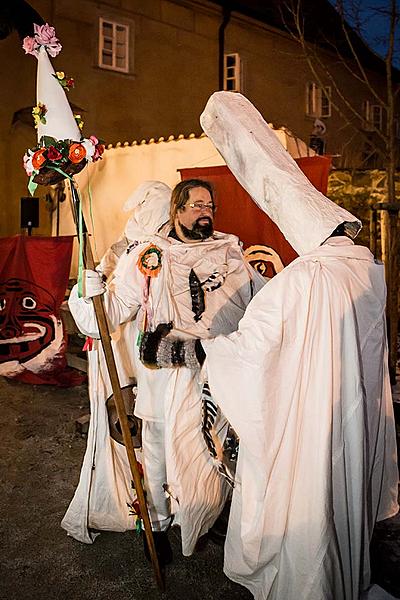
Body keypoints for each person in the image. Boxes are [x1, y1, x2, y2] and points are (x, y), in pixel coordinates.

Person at [138, 91, 400, 598]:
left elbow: (254, 349)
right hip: (349, 413)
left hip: (304, 418)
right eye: (197, 205)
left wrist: (206, 350)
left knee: (307, 512)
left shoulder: (306, 278)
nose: (207, 212)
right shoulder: (365, 266)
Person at [67, 178, 265, 564]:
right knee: (157, 455)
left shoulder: (229, 252)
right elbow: (112, 313)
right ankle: (155, 526)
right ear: (177, 211)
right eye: (197, 205)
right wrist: (86, 296)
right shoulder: (148, 256)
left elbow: (260, 302)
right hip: (165, 375)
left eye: (210, 205)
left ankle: (211, 515)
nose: (206, 212)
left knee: (217, 452)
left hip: (216, 373)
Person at [62, 181, 172, 544]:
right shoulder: (130, 250)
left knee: (153, 435)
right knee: (132, 433)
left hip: (149, 359)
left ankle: (160, 512)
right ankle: (146, 507)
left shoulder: (156, 251)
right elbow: (107, 309)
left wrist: (91, 297)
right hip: (126, 358)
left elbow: (109, 312)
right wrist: (89, 291)